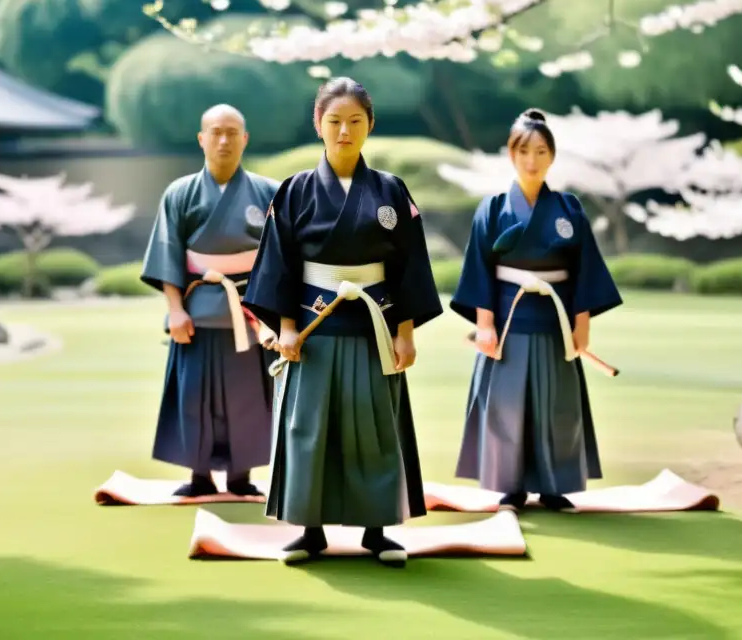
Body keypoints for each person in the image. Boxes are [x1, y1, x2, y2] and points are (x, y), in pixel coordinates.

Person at [242, 77, 442, 567]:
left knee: (374, 427)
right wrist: (285, 327)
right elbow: (279, 265)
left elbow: (409, 266)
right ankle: (310, 531)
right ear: (318, 125)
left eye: (355, 121)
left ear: (370, 125)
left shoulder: (391, 190)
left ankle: (377, 531)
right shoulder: (295, 191)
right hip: (314, 325)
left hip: (376, 325)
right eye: (334, 122)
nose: (344, 131)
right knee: (310, 427)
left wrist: (406, 334)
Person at [449, 108, 622, 512]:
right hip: (508, 320)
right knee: (507, 406)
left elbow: (585, 271)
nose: (532, 159)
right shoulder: (492, 209)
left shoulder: (569, 209)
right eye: (524, 151)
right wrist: (485, 325)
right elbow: (478, 270)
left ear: (552, 156)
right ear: (511, 154)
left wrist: (582, 325)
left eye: (541, 151)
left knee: (557, 406)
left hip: (556, 321)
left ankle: (553, 483)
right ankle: (510, 485)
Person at [140, 104, 280, 499]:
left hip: (250, 313)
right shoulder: (180, 193)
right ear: (201, 138)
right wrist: (175, 309)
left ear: (245, 139)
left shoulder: (268, 192)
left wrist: (273, 315)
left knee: (248, 399)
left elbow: (279, 259)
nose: (223, 140)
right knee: (193, 398)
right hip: (198, 310)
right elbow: (167, 251)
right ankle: (198, 475)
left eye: (232, 132)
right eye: (216, 132)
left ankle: (241, 476)